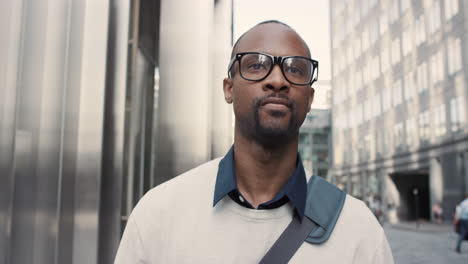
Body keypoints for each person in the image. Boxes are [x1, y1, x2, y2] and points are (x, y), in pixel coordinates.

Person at [114, 20, 394, 263]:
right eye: (256, 65)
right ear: (229, 88)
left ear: (309, 99)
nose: (277, 80)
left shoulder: (358, 229)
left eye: (295, 69)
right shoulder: (159, 213)